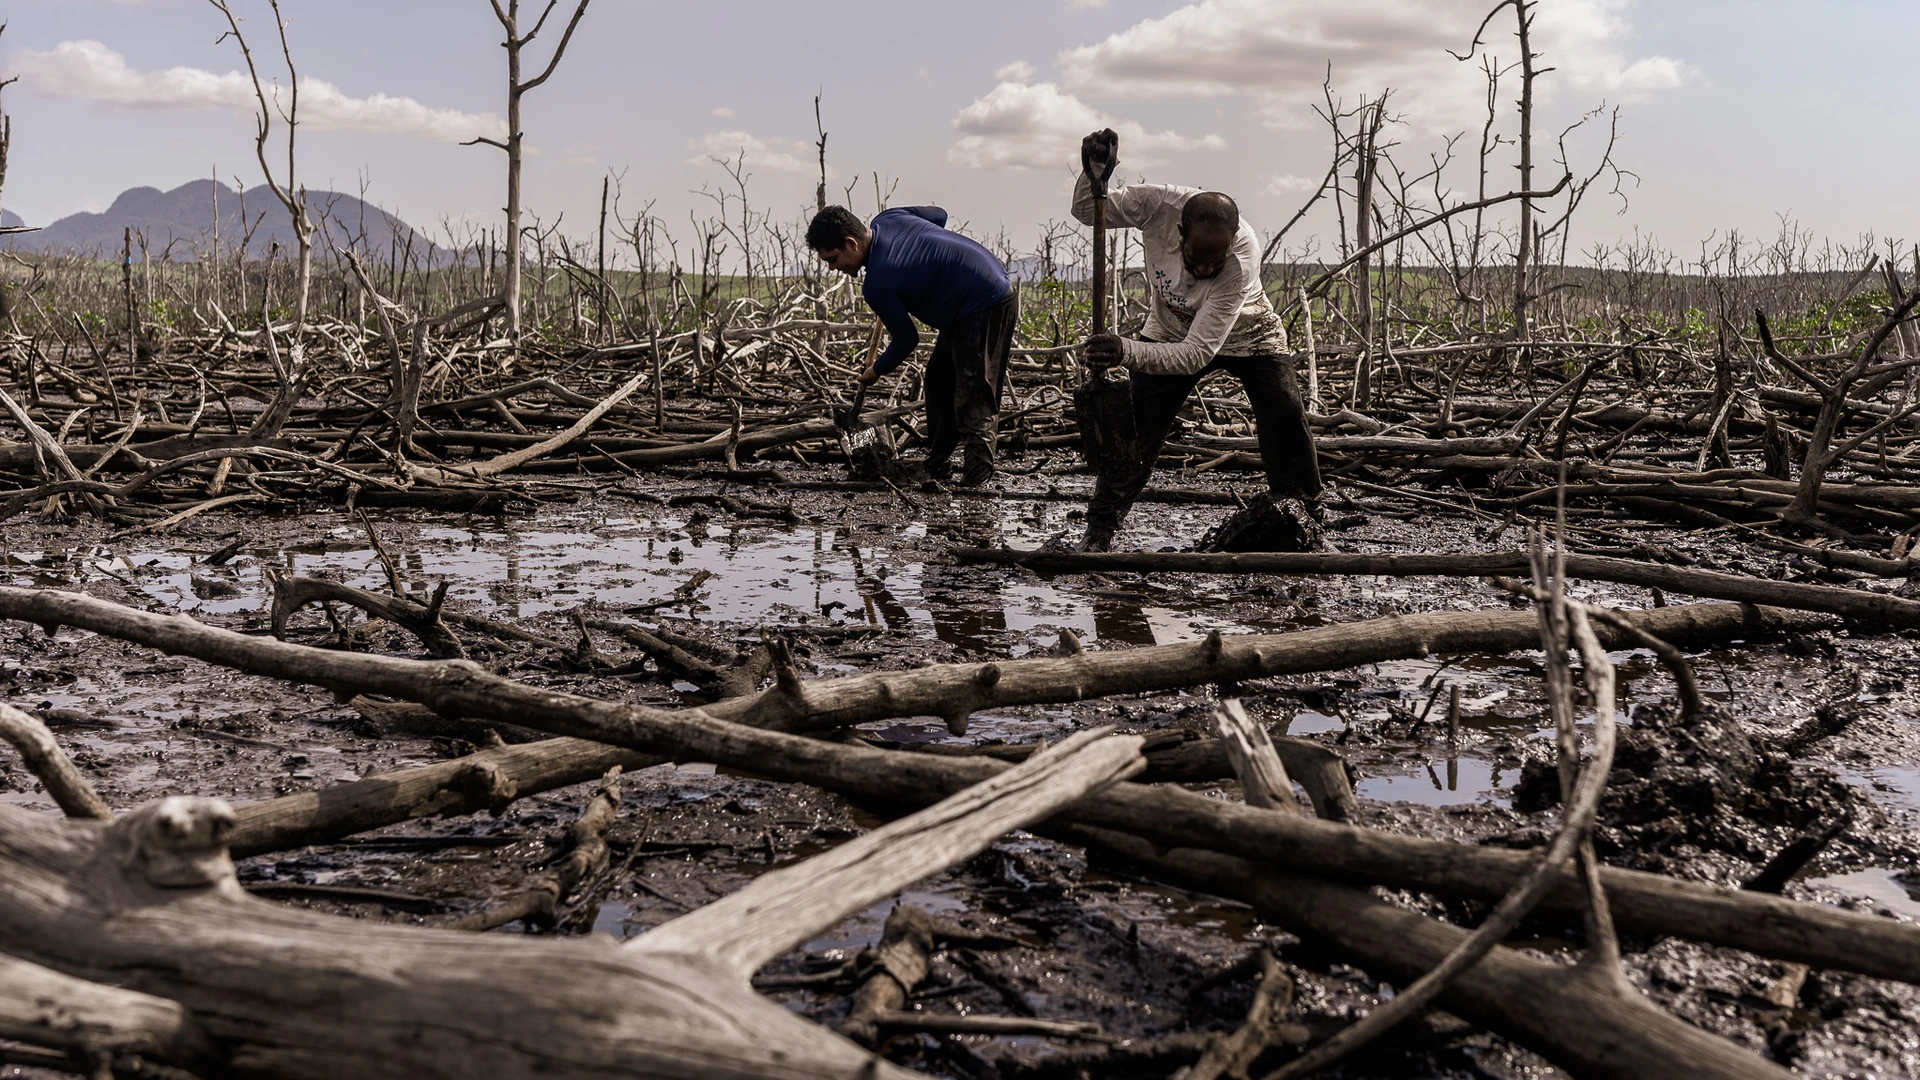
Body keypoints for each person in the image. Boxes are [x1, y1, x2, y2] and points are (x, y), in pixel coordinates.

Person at [1072, 128, 1322, 551]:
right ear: (1180, 232)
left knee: (1285, 420)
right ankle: (1100, 529)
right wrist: (1095, 172)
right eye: (1196, 260)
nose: (1205, 271)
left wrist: (1124, 351)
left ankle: (1306, 519)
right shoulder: (1157, 205)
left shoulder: (1240, 262)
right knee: (1136, 430)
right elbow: (1086, 210)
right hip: (1169, 329)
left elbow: (1194, 356)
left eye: (1214, 263)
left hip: (1250, 335)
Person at [807, 204, 1018, 487]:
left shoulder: (878, 283)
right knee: (939, 379)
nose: (834, 268)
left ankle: (976, 480)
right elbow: (939, 214)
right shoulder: (889, 217)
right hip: (973, 293)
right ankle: (938, 462)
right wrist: (928, 258)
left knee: (974, 389)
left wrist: (875, 371)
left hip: (987, 300)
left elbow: (908, 340)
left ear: (851, 243)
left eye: (833, 259)